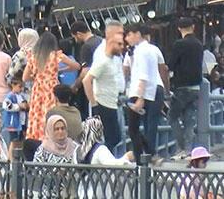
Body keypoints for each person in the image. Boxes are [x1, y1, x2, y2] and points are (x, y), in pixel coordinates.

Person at [124, 23, 165, 161]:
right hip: (149, 90)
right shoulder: (150, 49)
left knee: (133, 128)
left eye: (129, 35)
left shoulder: (141, 51)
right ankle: (149, 154)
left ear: (138, 34)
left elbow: (143, 75)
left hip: (140, 92)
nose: (127, 38)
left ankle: (143, 158)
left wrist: (140, 97)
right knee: (148, 125)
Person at [83, 20, 125, 152]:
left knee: (116, 137)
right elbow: (87, 80)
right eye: (119, 34)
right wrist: (94, 104)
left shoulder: (114, 56)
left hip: (115, 100)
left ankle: (113, 161)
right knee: (110, 138)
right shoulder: (102, 55)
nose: (122, 39)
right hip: (103, 102)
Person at [167, 17, 205, 160]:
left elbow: (171, 64)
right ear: (193, 27)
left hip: (181, 86)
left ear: (179, 29)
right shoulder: (199, 44)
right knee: (189, 120)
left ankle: (181, 147)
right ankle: (189, 150)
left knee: (172, 117)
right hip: (196, 87)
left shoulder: (179, 44)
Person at [33, 115, 78, 199]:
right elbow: (36, 169)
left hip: (69, 196)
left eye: (63, 128)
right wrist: (55, 173)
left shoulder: (74, 146)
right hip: (50, 196)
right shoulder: (43, 149)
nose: (60, 131)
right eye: (56, 129)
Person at [25, 32, 63, 141]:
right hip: (52, 88)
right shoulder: (56, 55)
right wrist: (59, 71)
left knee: (37, 114)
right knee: (51, 113)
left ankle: (36, 137)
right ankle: (51, 137)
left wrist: (36, 77)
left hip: (38, 88)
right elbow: (75, 66)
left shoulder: (33, 56)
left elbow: (25, 77)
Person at [70, 20, 102, 119]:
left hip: (93, 88)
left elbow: (85, 71)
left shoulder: (86, 47)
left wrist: (75, 86)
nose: (75, 40)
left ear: (79, 34)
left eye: (75, 37)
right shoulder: (101, 40)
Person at [2, 78, 28, 143]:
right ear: (13, 85)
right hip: (13, 123)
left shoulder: (22, 96)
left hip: (22, 123)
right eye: (20, 87)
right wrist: (19, 106)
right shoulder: (10, 96)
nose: (21, 89)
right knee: (13, 141)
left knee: (21, 141)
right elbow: (6, 106)